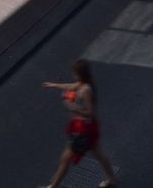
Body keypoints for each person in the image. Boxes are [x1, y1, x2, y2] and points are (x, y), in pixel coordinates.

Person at [40, 60, 118, 188]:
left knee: (65, 159)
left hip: (82, 130)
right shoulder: (83, 84)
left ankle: (53, 186)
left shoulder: (85, 90)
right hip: (89, 128)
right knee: (99, 154)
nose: (73, 76)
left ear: (80, 75)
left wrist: (73, 108)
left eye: (75, 74)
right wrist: (54, 85)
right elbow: (70, 86)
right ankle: (112, 179)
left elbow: (90, 112)